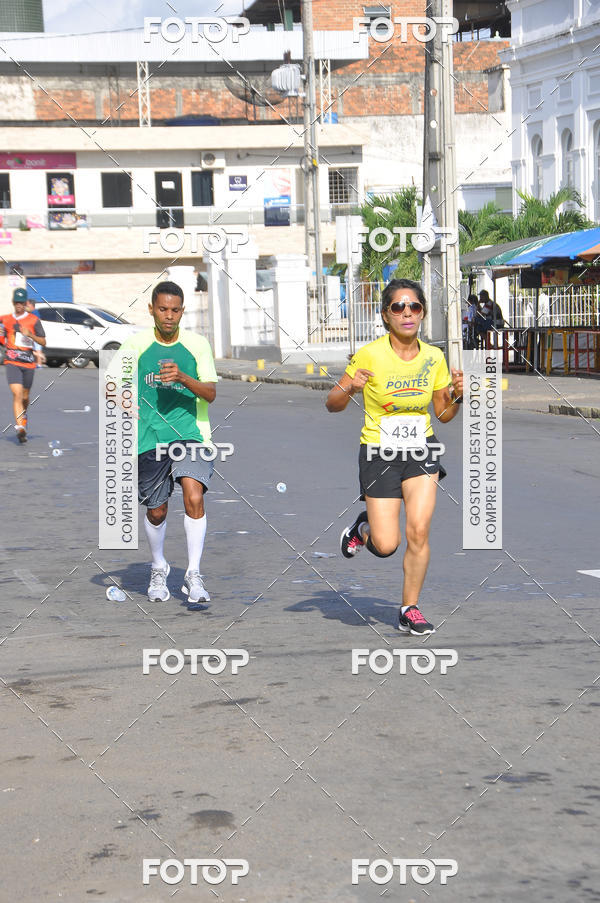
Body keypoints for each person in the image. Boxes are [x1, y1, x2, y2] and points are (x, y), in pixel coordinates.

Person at [325, 278, 463, 635]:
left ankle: (409, 608)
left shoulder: (434, 357)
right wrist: (351, 388)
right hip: (379, 451)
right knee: (387, 545)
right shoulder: (370, 354)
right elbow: (332, 404)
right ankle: (363, 528)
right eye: (398, 307)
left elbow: (443, 415)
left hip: (421, 449)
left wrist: (458, 398)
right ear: (386, 315)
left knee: (418, 531)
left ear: (422, 314)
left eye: (414, 306)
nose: (407, 313)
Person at [118, 281, 218, 606]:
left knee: (193, 494)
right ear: (152, 310)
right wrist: (133, 408)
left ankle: (194, 573)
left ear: (182, 311)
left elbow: (211, 394)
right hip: (149, 439)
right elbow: (112, 386)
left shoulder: (197, 345)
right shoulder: (134, 346)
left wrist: (183, 378)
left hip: (192, 435)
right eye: (163, 309)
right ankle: (159, 565)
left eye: (175, 310)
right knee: (157, 511)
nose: (169, 316)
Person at [2, 288, 46, 443]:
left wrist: (30, 335)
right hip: (12, 362)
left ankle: (23, 418)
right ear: (13, 303)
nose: (19, 305)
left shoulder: (34, 320)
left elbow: (43, 342)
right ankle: (20, 427)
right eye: (17, 302)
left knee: (25, 396)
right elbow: (2, 336)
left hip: (28, 363)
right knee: (17, 394)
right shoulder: (5, 319)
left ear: (26, 303)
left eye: (22, 302)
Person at [25, 297, 46, 367]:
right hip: (34, 334)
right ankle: (38, 363)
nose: (26, 306)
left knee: (37, 350)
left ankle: (40, 363)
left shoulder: (34, 313)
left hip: (36, 334)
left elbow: (35, 322)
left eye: (27, 305)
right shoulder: (33, 312)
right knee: (35, 349)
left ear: (31, 305)